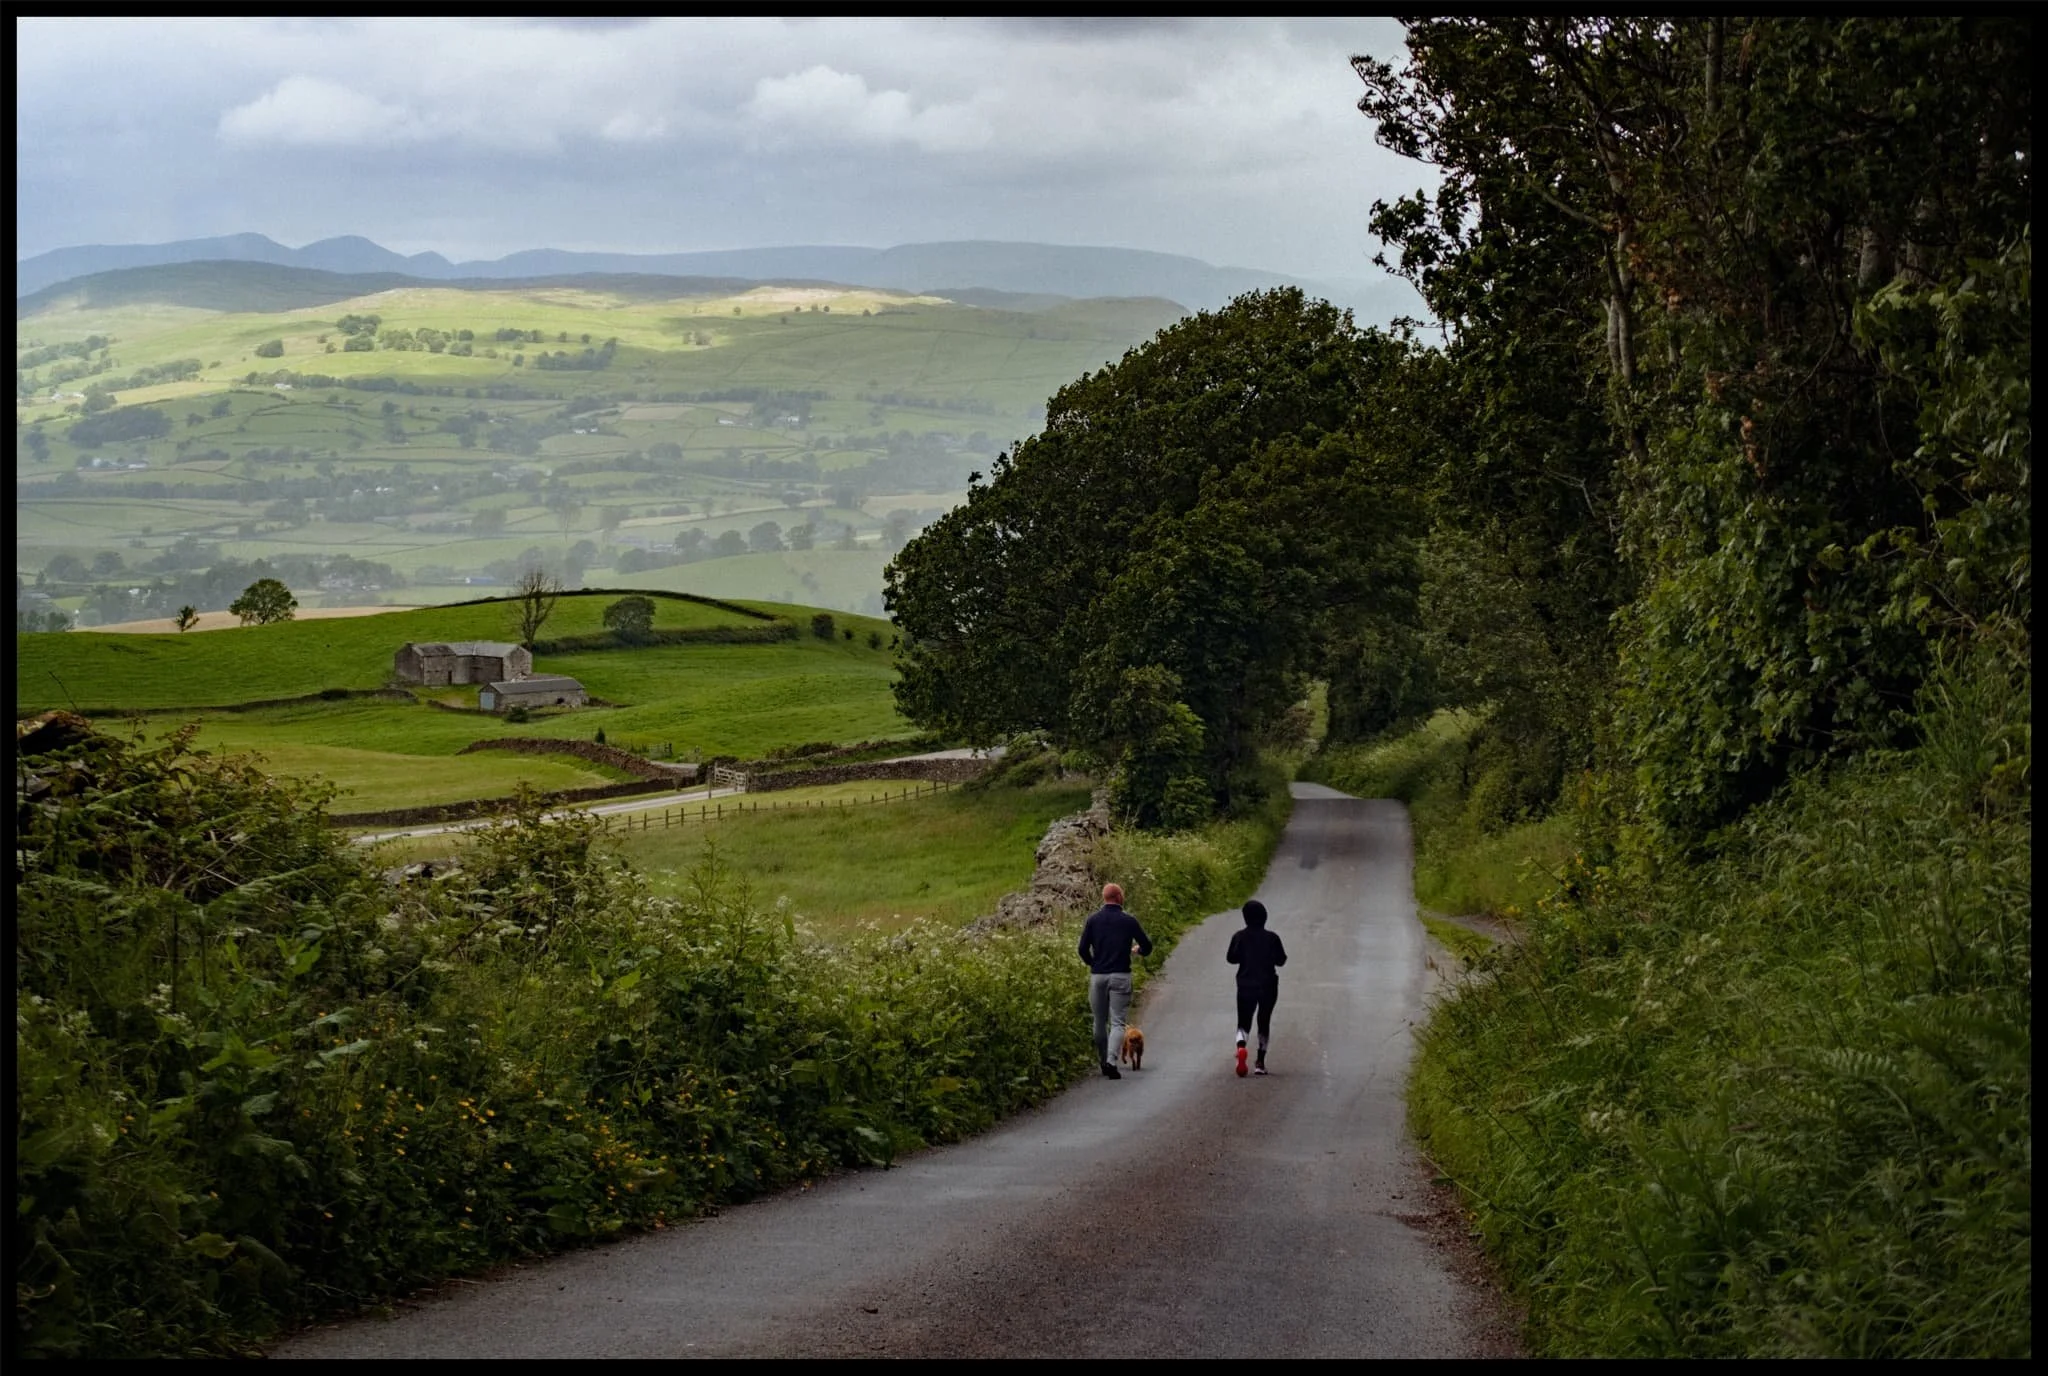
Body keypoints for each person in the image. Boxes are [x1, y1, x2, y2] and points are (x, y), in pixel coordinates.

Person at [1077, 882, 1152, 1080]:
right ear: (1119, 897)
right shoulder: (1129, 921)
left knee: (1099, 1021)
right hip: (1121, 975)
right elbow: (1147, 945)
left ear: (1104, 898)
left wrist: (1093, 963)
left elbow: (1082, 949)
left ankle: (1103, 1061)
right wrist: (1139, 951)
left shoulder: (1093, 920)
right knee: (1118, 1022)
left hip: (1098, 976)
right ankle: (1111, 1060)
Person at [1226, 899, 1287, 1076]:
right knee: (1264, 1019)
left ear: (1245, 918)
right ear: (1264, 917)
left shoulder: (1239, 936)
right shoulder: (1272, 938)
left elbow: (1231, 958)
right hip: (1268, 984)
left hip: (1245, 984)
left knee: (1243, 1021)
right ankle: (1260, 1062)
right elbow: (1281, 960)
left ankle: (1241, 1047)